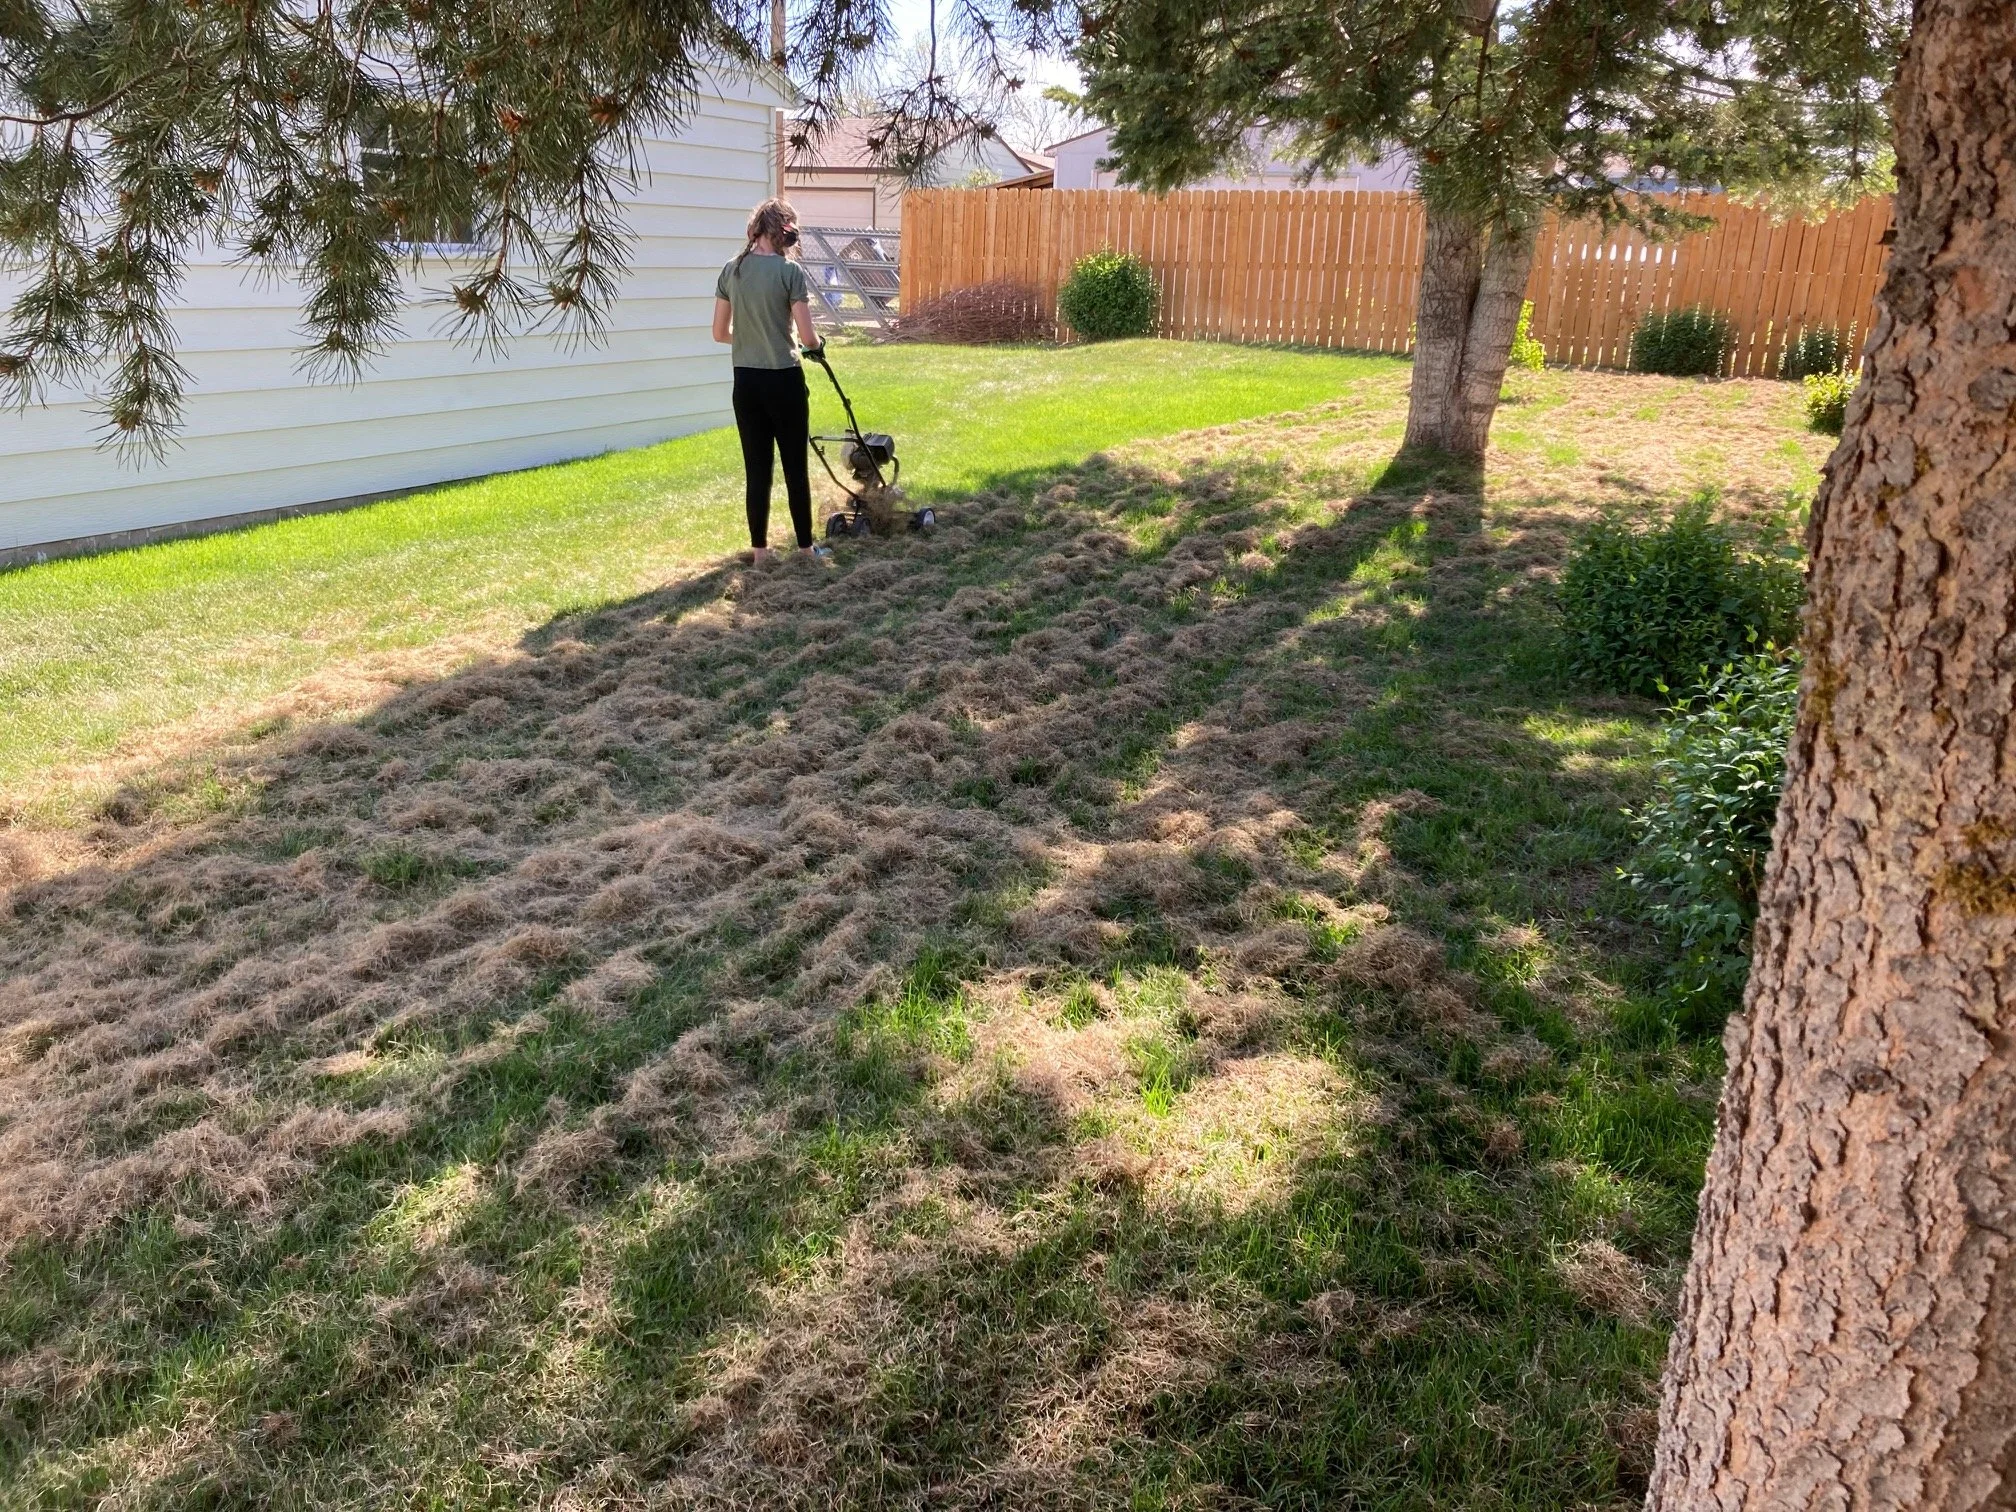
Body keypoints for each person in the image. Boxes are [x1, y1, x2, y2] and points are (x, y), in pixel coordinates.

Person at [713, 198, 828, 560]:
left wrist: (748, 338)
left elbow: (719, 333)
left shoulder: (732, 270)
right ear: (784, 232)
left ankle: (760, 552)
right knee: (795, 465)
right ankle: (806, 549)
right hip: (784, 380)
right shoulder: (789, 272)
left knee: (757, 468)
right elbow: (808, 338)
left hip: (745, 383)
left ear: (755, 230)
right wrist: (816, 343)